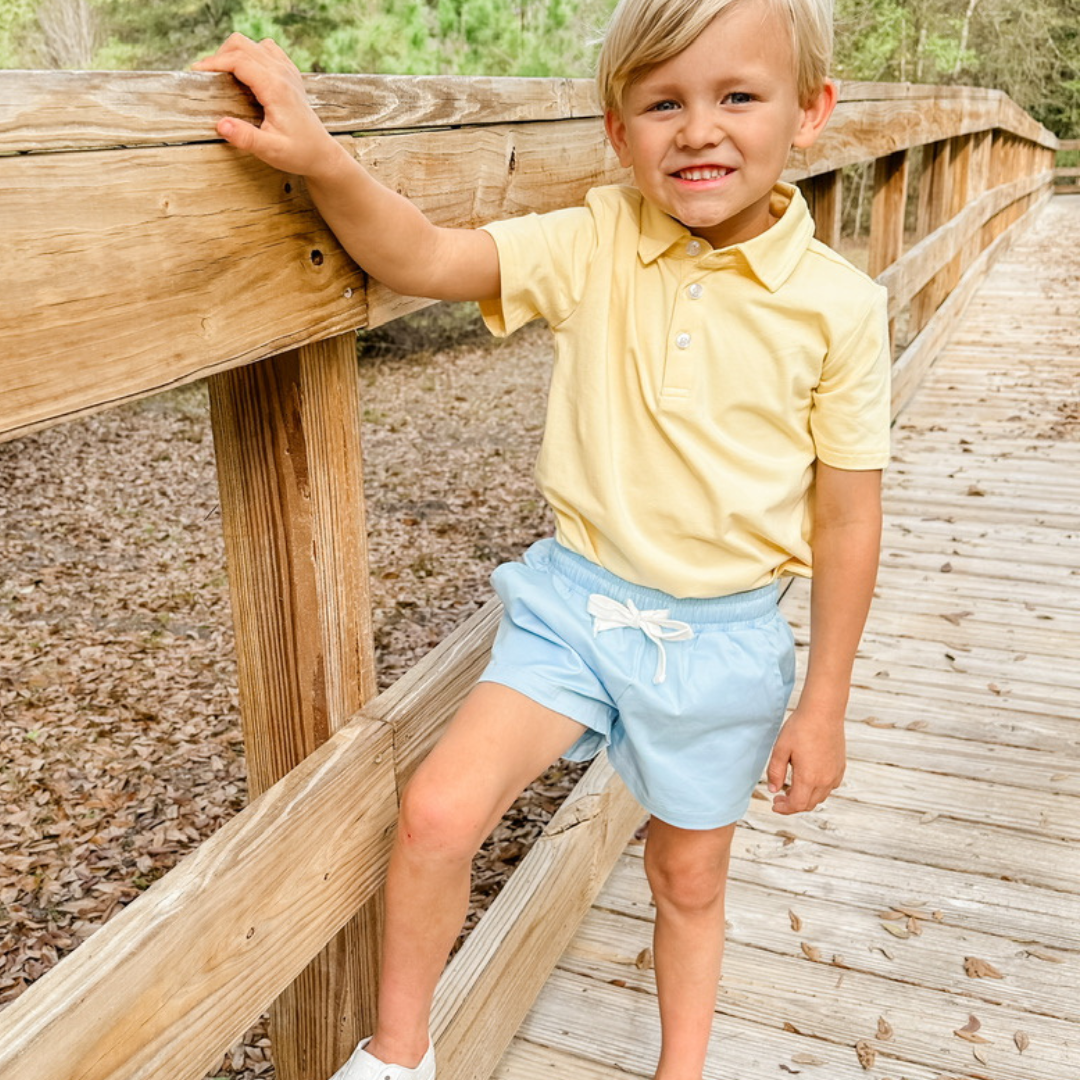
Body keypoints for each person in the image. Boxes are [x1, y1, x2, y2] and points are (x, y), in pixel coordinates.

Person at [193, 0, 889, 1076]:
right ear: (618, 132)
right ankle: (399, 1055)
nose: (699, 130)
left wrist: (826, 701)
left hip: (721, 645)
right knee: (435, 812)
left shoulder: (840, 309)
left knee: (687, 879)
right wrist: (323, 160)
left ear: (811, 113)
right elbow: (422, 257)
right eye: (664, 103)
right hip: (577, 608)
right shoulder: (595, 239)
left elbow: (848, 516)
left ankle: (680, 1067)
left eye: (737, 96)